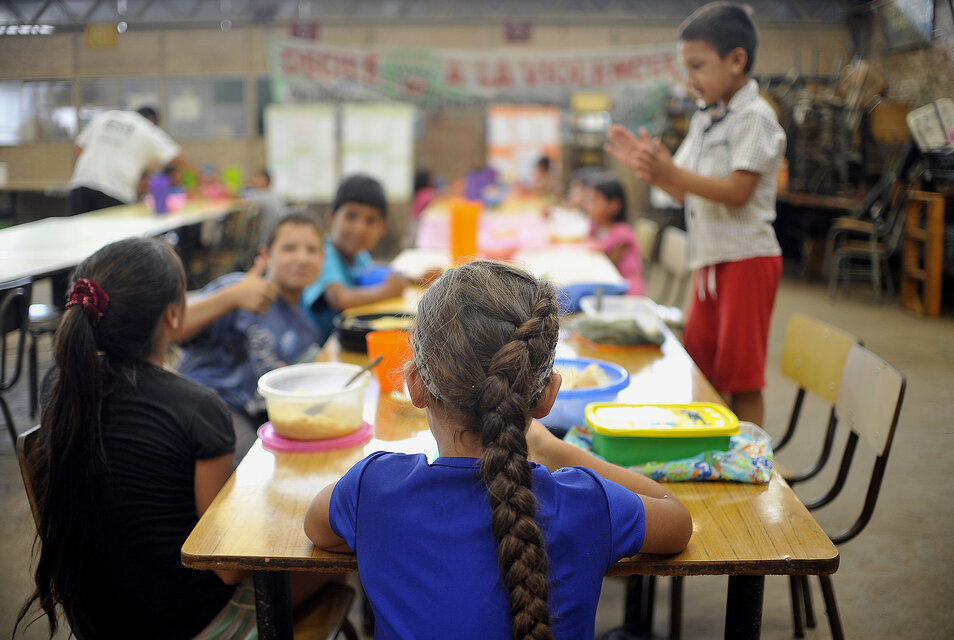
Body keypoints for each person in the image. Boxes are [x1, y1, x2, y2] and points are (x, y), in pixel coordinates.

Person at [303, 261, 692, 639]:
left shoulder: (372, 488)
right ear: (548, 396)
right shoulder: (586, 502)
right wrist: (552, 448)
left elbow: (319, 529)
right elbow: (676, 521)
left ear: (415, 386)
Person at [13, 237, 244, 639]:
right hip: (187, 624)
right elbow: (227, 567)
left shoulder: (62, 385)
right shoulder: (199, 408)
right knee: (331, 563)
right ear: (173, 317)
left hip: (98, 624)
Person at [605, 2, 785, 427]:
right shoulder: (708, 120)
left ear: (736, 60)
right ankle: (716, 448)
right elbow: (680, 187)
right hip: (709, 262)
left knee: (742, 377)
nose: (690, 81)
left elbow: (739, 192)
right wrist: (651, 169)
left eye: (698, 67)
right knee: (706, 367)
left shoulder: (754, 118)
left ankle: (752, 459)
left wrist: (671, 172)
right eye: (686, 69)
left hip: (746, 260)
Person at [179, 211, 325, 456]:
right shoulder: (239, 286)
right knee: (253, 462)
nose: (301, 258)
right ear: (266, 255)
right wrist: (232, 298)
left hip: (255, 417)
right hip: (205, 403)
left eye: (311, 250)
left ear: (323, 258)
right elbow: (174, 329)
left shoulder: (307, 331)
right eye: (289, 248)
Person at [302, 174, 408, 338]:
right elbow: (339, 298)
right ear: (331, 217)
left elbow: (375, 276)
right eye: (351, 216)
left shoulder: (359, 256)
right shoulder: (323, 253)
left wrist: (415, 278)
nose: (359, 228)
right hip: (323, 348)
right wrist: (387, 291)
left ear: (383, 227)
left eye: (370, 220)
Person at [66, 106, 203, 215]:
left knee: (80, 241)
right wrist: (199, 184)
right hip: (116, 192)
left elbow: (78, 149)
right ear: (152, 120)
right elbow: (180, 160)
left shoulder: (105, 118)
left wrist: (78, 176)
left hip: (81, 186)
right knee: (111, 245)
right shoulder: (147, 129)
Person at [587, 174, 646, 295]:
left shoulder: (622, 234)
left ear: (614, 205)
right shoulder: (595, 227)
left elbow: (606, 266)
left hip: (626, 289)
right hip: (607, 285)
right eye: (591, 200)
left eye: (596, 200)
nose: (590, 206)